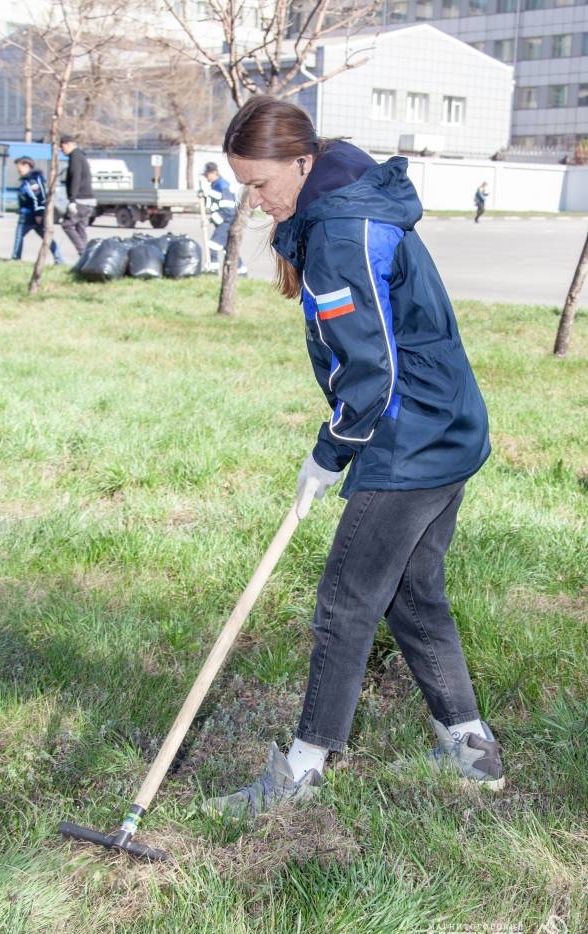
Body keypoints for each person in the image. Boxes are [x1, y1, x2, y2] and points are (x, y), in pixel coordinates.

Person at [204, 96, 504, 820]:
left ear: (303, 161)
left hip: (410, 442)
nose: (256, 197)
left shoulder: (341, 229)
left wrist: (332, 449)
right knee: (413, 589)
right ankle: (472, 746)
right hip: (451, 427)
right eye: (245, 184)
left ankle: (301, 773)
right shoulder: (345, 197)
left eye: (260, 182)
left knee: (346, 602)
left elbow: (371, 372)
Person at [11, 156, 65, 264]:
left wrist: (39, 213)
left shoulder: (32, 181)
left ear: (27, 166)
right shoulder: (33, 179)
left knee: (20, 237)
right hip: (31, 213)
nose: (18, 170)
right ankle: (59, 259)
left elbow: (38, 197)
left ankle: (16, 258)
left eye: (19, 168)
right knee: (46, 238)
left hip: (30, 214)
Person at [200, 161, 247, 275]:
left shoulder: (222, 186)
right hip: (224, 222)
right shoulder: (215, 185)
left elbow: (228, 210)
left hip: (226, 222)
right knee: (229, 249)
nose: (206, 176)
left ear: (215, 173)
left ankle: (213, 271)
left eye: (207, 174)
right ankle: (242, 271)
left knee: (212, 245)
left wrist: (210, 220)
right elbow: (214, 203)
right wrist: (204, 195)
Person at [59, 134, 96, 255]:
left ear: (69, 144)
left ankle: (83, 252)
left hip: (81, 200)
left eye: (62, 146)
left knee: (67, 224)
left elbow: (76, 178)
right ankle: (85, 259)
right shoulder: (81, 156)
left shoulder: (75, 157)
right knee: (81, 229)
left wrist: (73, 200)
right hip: (89, 199)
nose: (61, 149)